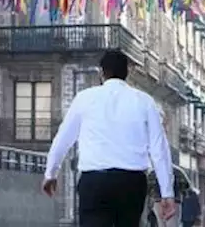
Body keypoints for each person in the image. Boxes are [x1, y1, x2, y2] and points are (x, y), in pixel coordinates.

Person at [43, 49, 176, 227]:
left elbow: (63, 139)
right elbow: (159, 148)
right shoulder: (145, 102)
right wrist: (167, 192)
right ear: (127, 73)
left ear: (101, 72)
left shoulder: (85, 98)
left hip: (94, 182)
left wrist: (51, 173)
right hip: (131, 182)